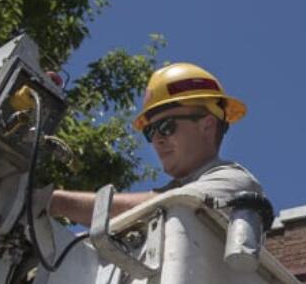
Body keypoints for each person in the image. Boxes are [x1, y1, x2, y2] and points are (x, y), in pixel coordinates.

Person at [48, 62, 262, 226]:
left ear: (206, 125)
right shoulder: (163, 193)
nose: (158, 139)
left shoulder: (237, 183)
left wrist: (56, 202)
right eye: (150, 131)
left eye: (167, 126)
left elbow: (174, 206)